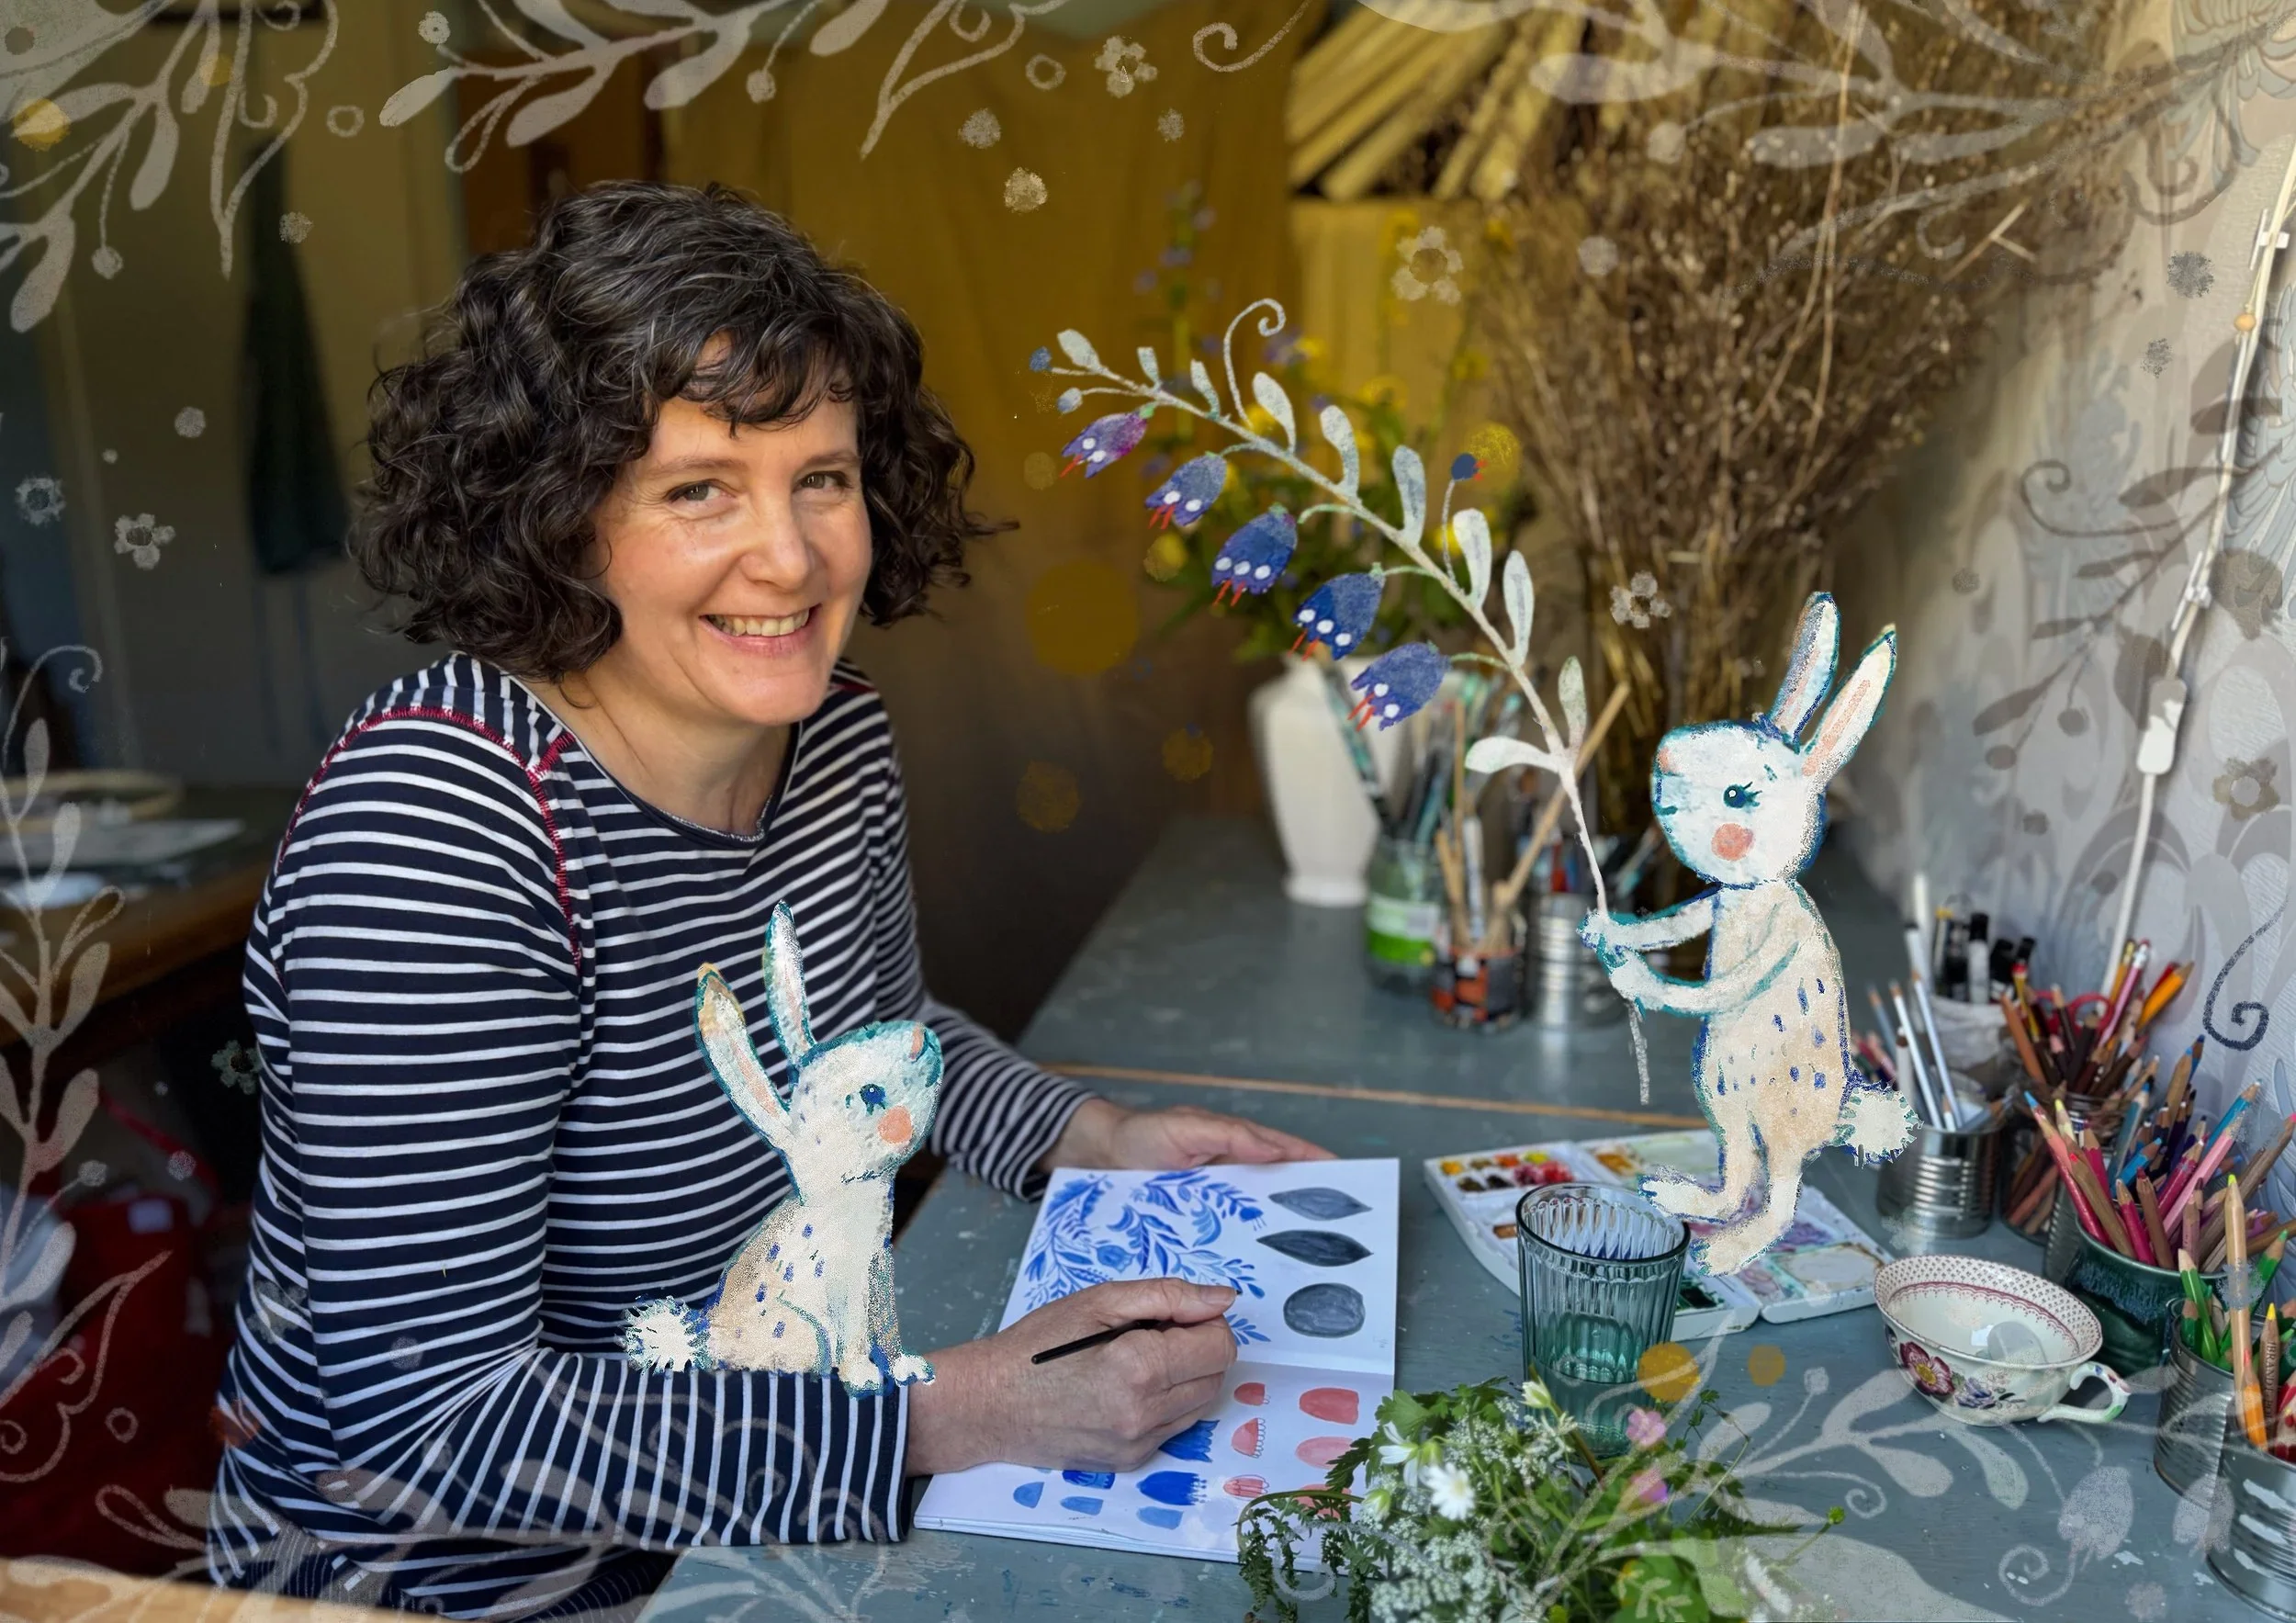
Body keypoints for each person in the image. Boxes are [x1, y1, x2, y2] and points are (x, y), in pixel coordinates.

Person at [206, 181, 1327, 1619]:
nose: (791, 558)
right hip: (448, 1587)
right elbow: (431, 1421)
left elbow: (879, 1028)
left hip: (735, 1525)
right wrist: (947, 1414)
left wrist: (1087, 1135)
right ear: (558, 518)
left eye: (823, 477)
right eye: (697, 490)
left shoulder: (834, 735)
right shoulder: (438, 835)